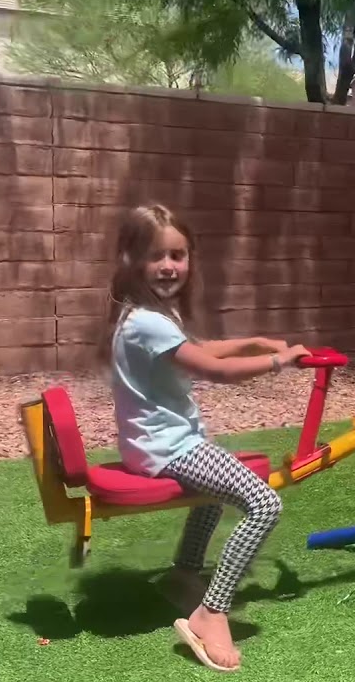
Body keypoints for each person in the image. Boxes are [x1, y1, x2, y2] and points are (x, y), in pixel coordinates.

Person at [99, 203, 310, 672]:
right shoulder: (148, 323)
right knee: (265, 504)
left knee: (212, 496)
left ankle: (183, 575)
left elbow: (199, 350)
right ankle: (209, 612)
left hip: (153, 445)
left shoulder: (145, 315)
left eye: (179, 255)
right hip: (168, 448)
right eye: (158, 256)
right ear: (132, 259)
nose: (170, 266)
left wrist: (254, 341)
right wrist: (279, 361)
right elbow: (214, 369)